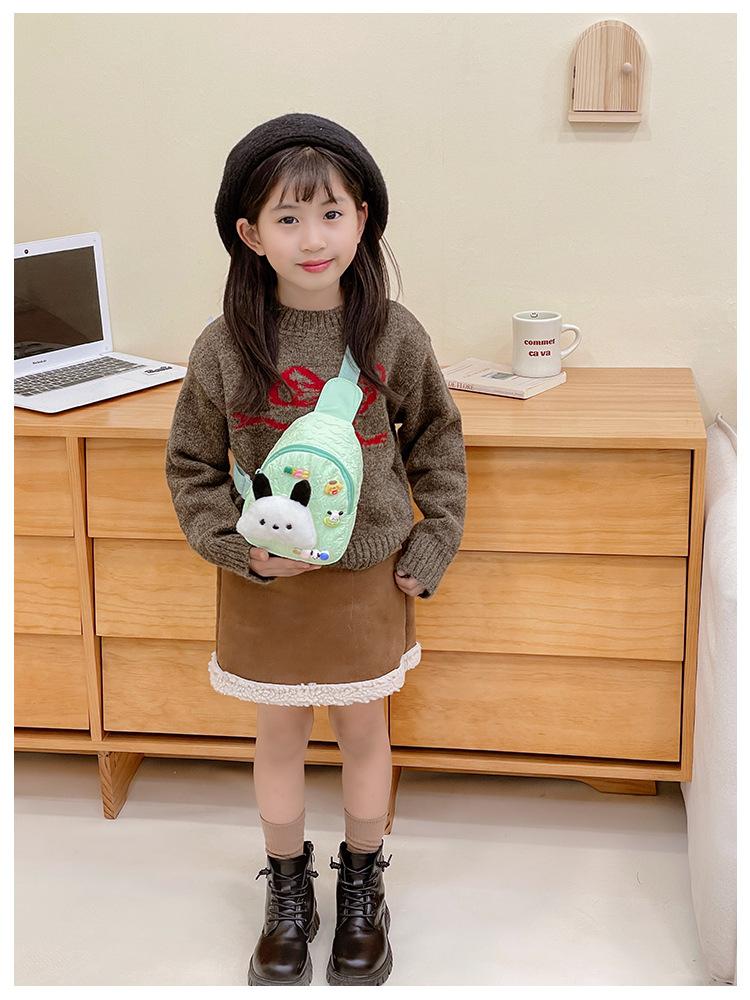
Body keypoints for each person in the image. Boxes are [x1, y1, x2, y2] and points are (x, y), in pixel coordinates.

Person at [165, 113, 467, 987]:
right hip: (264, 584)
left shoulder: (394, 334)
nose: (312, 238)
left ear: (362, 220)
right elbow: (191, 466)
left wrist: (434, 540)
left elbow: (438, 442)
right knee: (279, 736)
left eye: (331, 213)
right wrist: (239, 553)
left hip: (366, 579)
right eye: (288, 218)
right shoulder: (223, 346)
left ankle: (363, 885)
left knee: (365, 732)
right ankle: (288, 892)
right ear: (250, 234)